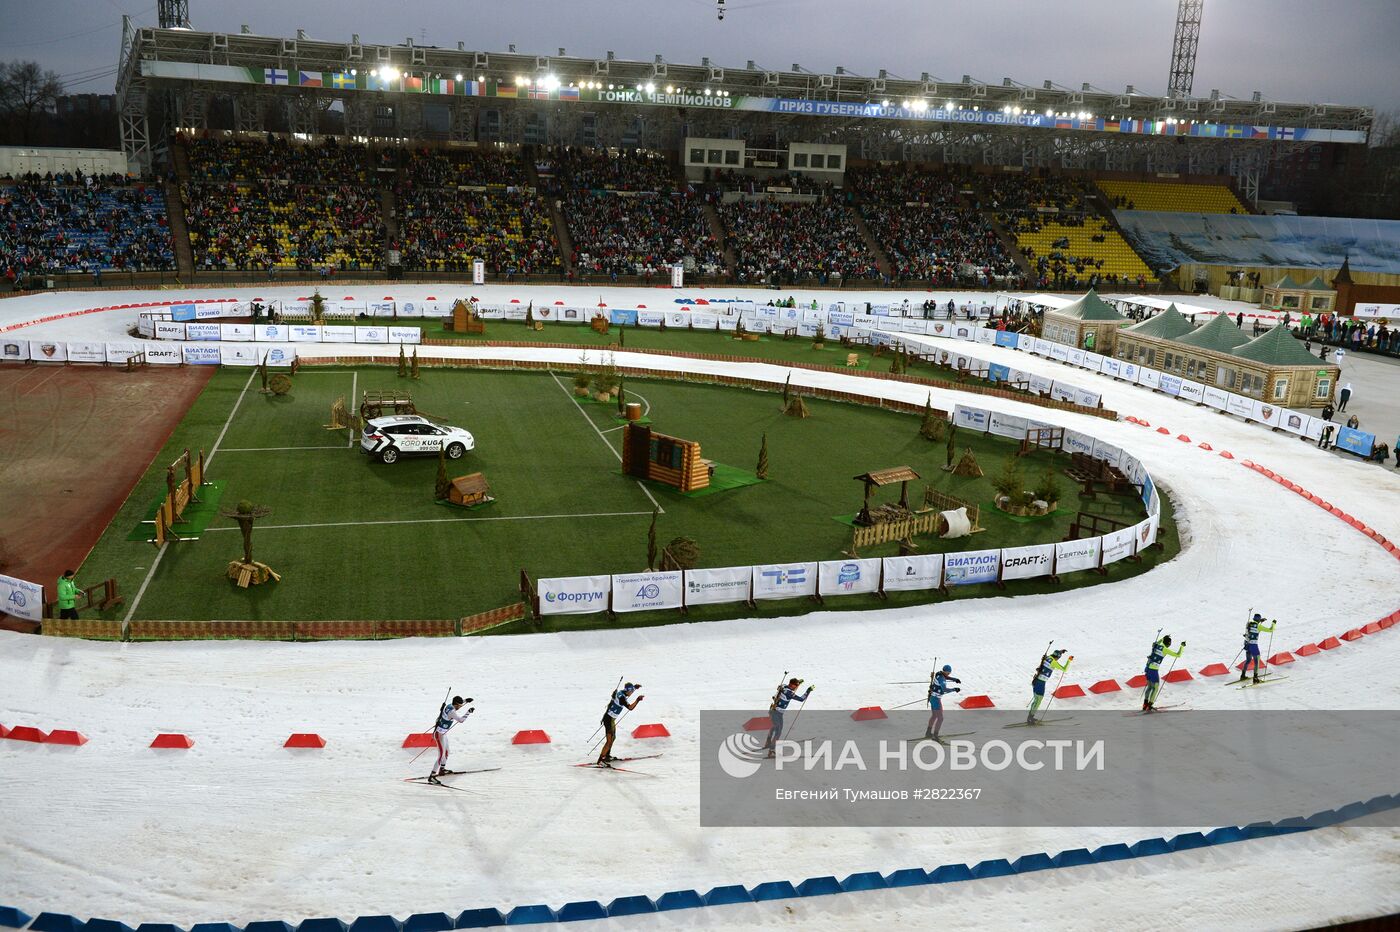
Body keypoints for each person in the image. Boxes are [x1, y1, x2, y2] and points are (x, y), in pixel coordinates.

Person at [429, 695, 475, 784]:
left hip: (443, 734)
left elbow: (458, 704)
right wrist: (468, 712)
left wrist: (466, 700)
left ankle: (442, 770)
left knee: (447, 752)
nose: (460, 707)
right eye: (459, 705)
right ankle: (432, 776)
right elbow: (461, 720)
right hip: (439, 735)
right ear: (456, 704)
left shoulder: (450, 705)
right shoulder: (452, 712)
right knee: (441, 755)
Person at [765, 676, 812, 758]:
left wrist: (799, 683)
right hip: (777, 713)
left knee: (774, 726)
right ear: (792, 685)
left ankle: (768, 742)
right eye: (795, 685)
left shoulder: (784, 686)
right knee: (778, 731)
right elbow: (801, 699)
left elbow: (787, 688)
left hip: (773, 710)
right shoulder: (789, 693)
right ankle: (771, 750)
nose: (796, 687)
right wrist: (808, 690)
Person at [598, 682, 644, 766]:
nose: (632, 692)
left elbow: (630, 691)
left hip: (611, 719)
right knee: (609, 741)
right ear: (628, 690)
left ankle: (607, 756)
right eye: (631, 691)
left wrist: (635, 687)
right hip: (608, 720)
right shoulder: (622, 698)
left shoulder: (623, 692)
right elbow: (630, 708)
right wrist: (637, 700)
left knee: (613, 738)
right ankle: (601, 760)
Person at [1142, 634, 1184, 712]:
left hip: (1147, 668)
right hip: (1153, 670)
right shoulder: (1165, 649)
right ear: (1168, 643)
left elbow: (1153, 643)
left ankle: (1145, 704)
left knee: (1150, 687)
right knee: (1155, 688)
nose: (1170, 644)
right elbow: (1178, 655)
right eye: (1170, 643)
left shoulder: (1157, 645)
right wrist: (1182, 646)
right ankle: (1150, 705)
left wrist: (1162, 638)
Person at [1028, 649, 1071, 724]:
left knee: (1036, 700)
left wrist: (1061, 652)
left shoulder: (1048, 657)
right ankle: (1030, 718)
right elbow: (1064, 669)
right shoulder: (1053, 662)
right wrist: (1069, 660)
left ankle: (1030, 717)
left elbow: (1054, 654)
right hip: (1040, 683)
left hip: (1036, 680)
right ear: (1057, 657)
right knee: (1038, 701)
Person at [925, 664, 961, 740]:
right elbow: (944, 690)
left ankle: (928, 733)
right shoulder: (942, 679)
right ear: (947, 672)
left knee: (934, 716)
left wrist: (955, 679)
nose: (949, 674)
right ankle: (935, 736)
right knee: (940, 718)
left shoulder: (939, 673)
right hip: (936, 699)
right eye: (949, 673)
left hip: (932, 698)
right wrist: (954, 689)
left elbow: (946, 677)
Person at [1240, 614, 1276, 684]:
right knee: (1257, 662)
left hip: (1247, 644)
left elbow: (1253, 627)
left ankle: (1242, 675)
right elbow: (1270, 630)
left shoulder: (1248, 623)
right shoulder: (1259, 626)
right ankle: (1255, 678)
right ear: (1258, 620)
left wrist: (1260, 621)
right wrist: (1273, 623)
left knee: (1248, 660)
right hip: (1254, 646)